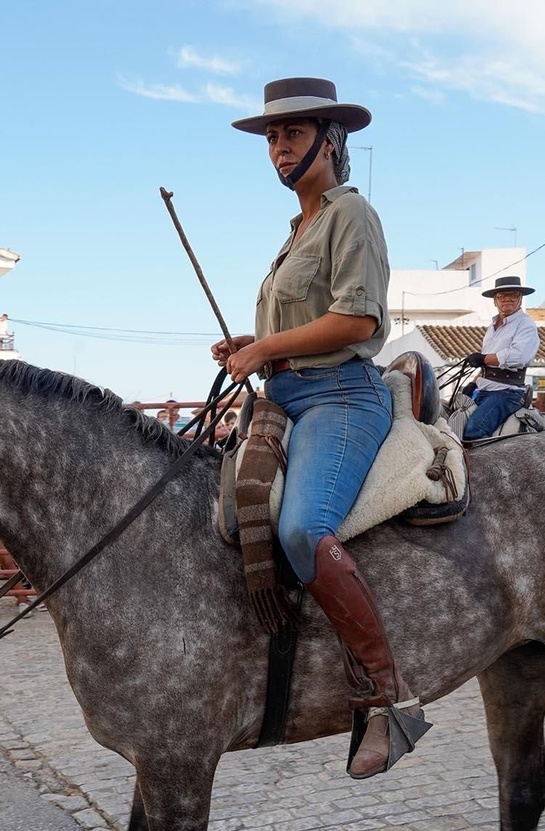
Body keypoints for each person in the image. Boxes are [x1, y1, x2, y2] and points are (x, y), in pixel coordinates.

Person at [210, 77, 427, 779]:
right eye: (273, 136)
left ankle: (387, 697)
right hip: (287, 398)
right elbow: (306, 322)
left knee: (304, 528)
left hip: (340, 397)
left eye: (294, 134)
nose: (279, 147)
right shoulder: (295, 233)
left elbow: (357, 321)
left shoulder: (350, 214)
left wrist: (267, 349)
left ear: (330, 143)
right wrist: (254, 343)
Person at [461, 276, 539, 441]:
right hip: (484, 390)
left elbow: (518, 356)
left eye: (513, 295)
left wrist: (483, 359)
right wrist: (473, 383)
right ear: (495, 301)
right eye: (502, 296)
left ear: (520, 298)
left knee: (474, 430)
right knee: (455, 420)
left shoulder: (526, 324)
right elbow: (487, 362)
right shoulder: (492, 326)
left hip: (507, 393)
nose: (507, 299)